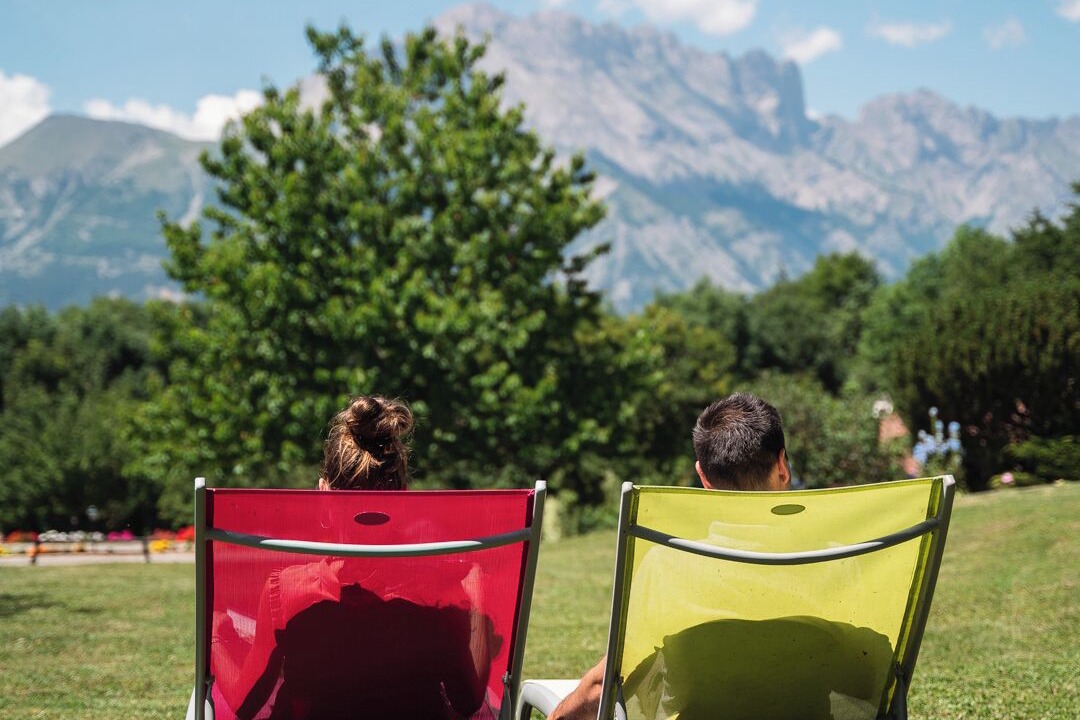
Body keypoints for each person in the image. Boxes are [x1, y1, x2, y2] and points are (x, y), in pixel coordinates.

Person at [549, 393, 892, 720]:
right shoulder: (834, 561)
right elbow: (871, 680)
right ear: (782, 465)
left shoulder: (666, 565)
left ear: (704, 478)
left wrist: (556, 715)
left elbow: (605, 687)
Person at [205, 395, 500, 720]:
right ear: (402, 498)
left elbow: (246, 704)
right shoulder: (436, 593)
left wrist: (216, 635)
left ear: (323, 495)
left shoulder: (286, 591)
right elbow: (468, 699)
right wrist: (474, 597)